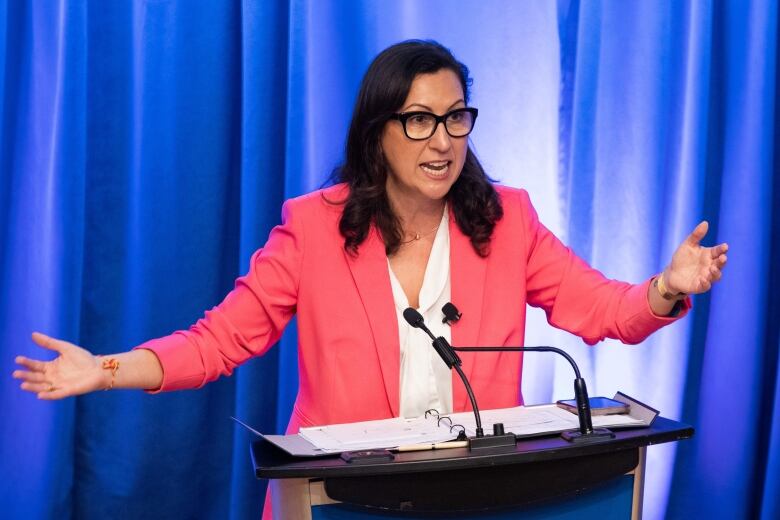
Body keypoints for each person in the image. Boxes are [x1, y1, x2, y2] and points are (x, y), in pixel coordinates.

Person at [14, 40, 728, 428]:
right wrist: (103, 369)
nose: (442, 140)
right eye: (418, 120)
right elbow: (216, 343)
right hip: (340, 497)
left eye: (456, 118)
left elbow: (601, 310)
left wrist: (666, 288)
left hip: (478, 496)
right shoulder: (312, 229)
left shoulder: (506, 221)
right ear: (378, 131)